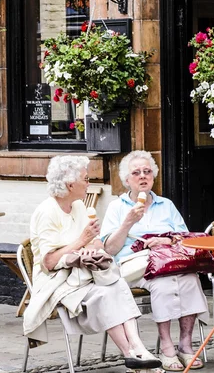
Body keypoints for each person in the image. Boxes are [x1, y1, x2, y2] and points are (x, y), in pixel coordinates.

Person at [23, 155, 162, 371]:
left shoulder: (79, 206)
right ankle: (130, 354)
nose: (89, 183)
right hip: (57, 281)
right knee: (106, 293)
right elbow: (48, 262)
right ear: (70, 185)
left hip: (84, 274)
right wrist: (81, 241)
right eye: (86, 179)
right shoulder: (46, 212)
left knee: (117, 284)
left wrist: (92, 248)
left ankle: (137, 349)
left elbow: (98, 244)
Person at [100, 150, 208, 371]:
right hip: (135, 266)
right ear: (127, 180)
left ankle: (185, 345)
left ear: (153, 176)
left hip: (169, 262)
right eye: (136, 172)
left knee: (190, 279)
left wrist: (166, 239)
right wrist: (128, 223)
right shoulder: (117, 207)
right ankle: (167, 346)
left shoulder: (165, 204)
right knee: (162, 284)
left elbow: (184, 238)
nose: (142, 176)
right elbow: (110, 248)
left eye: (147, 171)